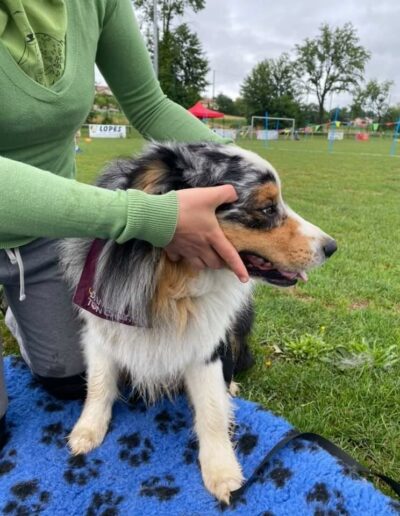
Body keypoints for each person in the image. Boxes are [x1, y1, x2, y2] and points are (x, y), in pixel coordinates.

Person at [0, 0, 249, 447]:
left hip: (46, 227)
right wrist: (147, 216)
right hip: (67, 212)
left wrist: (245, 177)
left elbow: (150, 106)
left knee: (68, 377)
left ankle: (24, 311)